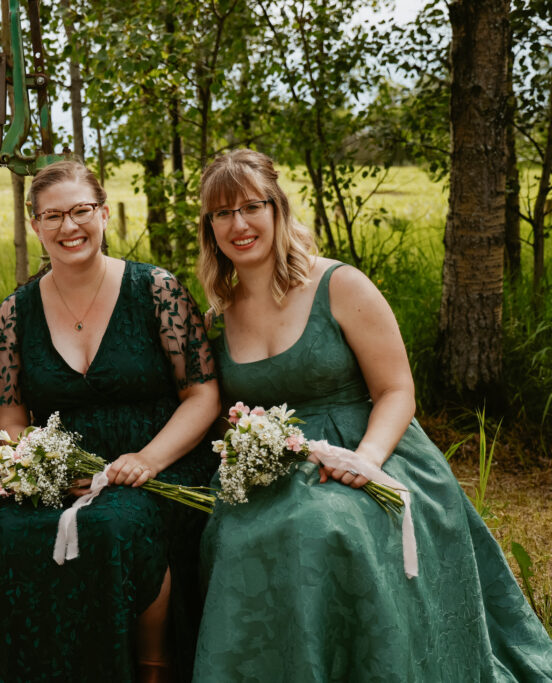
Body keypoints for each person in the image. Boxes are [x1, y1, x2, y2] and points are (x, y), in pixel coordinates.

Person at [192, 148, 552, 681]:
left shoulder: (339, 284)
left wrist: (365, 461)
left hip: (369, 446)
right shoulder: (218, 311)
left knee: (324, 527)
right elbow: (224, 410)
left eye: (251, 207)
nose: (238, 224)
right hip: (276, 462)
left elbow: (397, 390)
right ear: (210, 227)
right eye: (222, 213)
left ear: (277, 209)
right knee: (232, 534)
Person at [0, 160, 220, 682]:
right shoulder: (15, 313)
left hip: (158, 463)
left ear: (104, 214)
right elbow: (9, 416)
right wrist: (39, 468)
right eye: (53, 216)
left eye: (81, 211)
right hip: (63, 471)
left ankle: (150, 668)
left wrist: (146, 460)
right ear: (35, 225)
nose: (69, 227)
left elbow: (202, 395)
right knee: (11, 531)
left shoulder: (156, 289)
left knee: (117, 523)